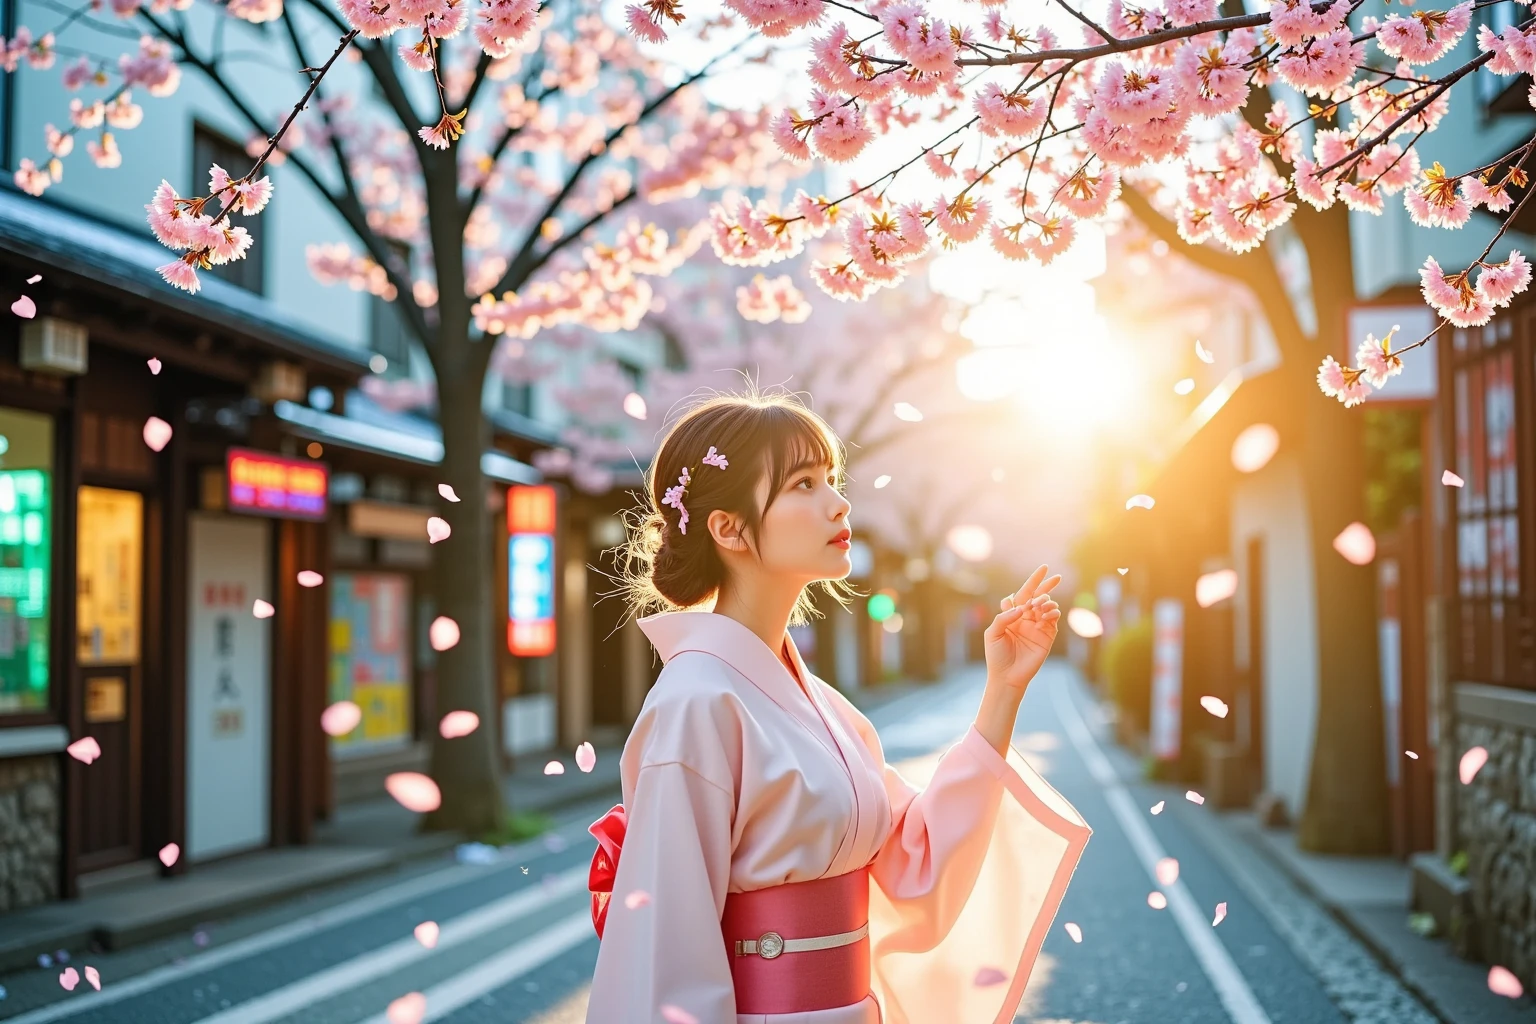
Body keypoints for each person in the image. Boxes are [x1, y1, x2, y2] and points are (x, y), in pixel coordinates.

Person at [584, 393, 1091, 1024]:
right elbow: (666, 955)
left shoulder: (822, 704)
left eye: (832, 478)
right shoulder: (695, 703)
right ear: (729, 528)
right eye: (804, 483)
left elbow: (915, 856)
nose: (839, 502)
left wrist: (1002, 691)